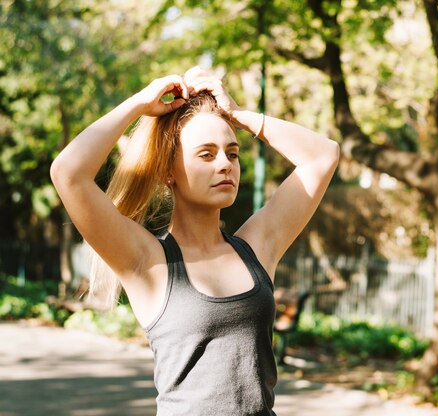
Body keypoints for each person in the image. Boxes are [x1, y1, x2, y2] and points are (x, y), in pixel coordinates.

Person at [50, 66, 340, 416]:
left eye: (232, 153)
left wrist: (240, 115)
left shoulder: (256, 248)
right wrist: (140, 103)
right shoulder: (148, 261)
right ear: (167, 171)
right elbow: (68, 173)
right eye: (206, 154)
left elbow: (323, 155)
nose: (225, 164)